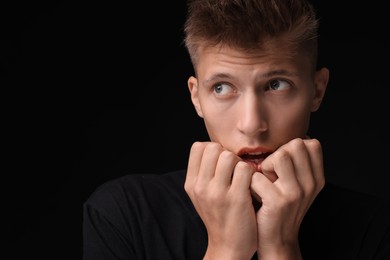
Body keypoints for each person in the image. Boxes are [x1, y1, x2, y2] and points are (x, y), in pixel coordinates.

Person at [82, 0, 390, 259]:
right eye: (222, 88)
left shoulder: (376, 229)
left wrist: (281, 248)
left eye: (276, 85)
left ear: (317, 90)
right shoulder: (124, 214)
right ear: (196, 97)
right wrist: (226, 249)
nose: (252, 124)